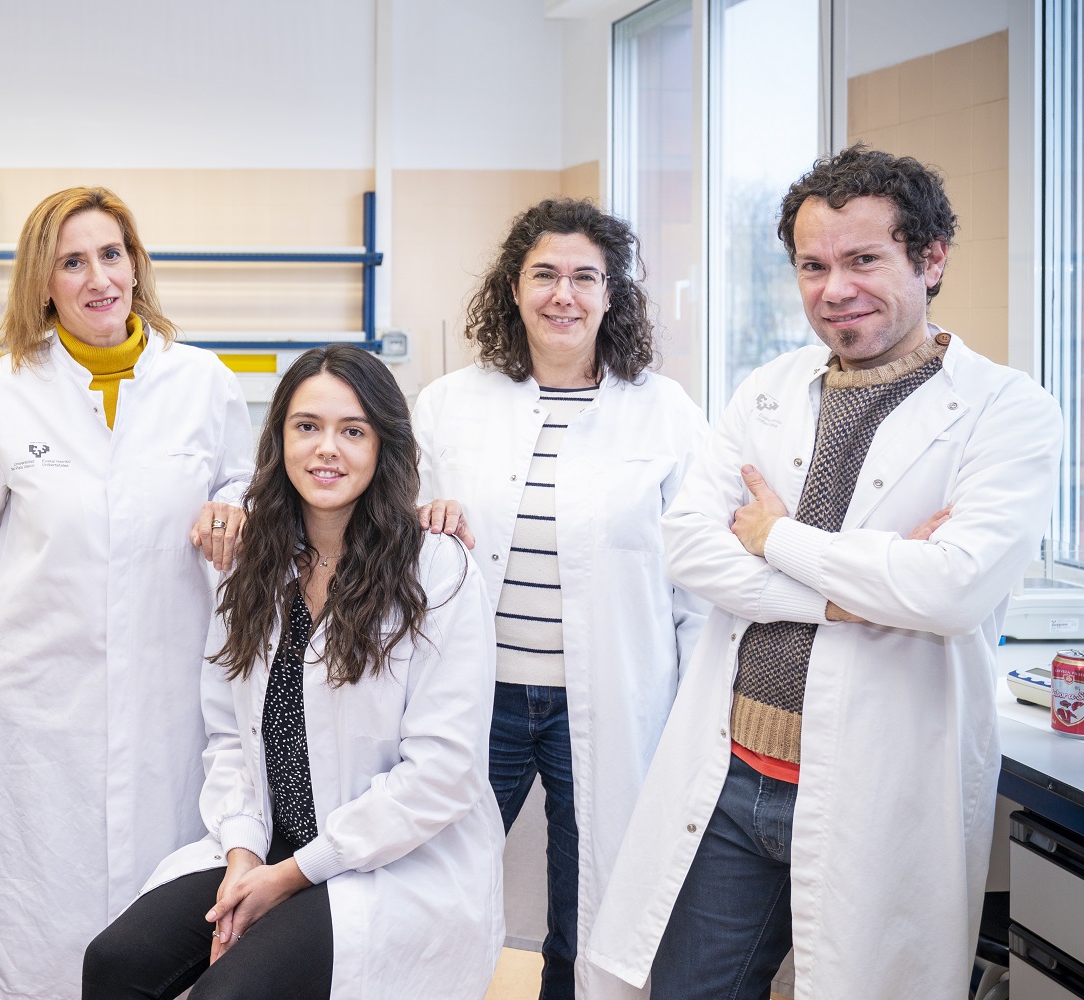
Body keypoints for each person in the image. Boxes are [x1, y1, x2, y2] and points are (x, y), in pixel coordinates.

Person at [584, 146, 1063, 999]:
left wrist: (774, 537)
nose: (834, 288)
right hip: (732, 775)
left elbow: (951, 588)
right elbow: (688, 544)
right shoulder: (769, 389)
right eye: (813, 265)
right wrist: (852, 597)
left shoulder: (1006, 409)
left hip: (877, 787)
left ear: (931, 259)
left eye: (863, 259)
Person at [0, 186, 254, 1000]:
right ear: (42, 283)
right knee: (39, 913)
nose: (98, 278)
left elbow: (240, 481)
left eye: (111, 255)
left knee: (164, 906)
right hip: (44, 704)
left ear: (135, 265)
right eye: (72, 262)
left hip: (169, 697)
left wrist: (236, 507)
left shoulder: (202, 382)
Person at [82, 344, 505, 1000]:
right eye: (307, 426)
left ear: (384, 446)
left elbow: (442, 773)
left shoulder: (436, 569)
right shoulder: (256, 565)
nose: (326, 449)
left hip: (385, 863)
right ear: (280, 439)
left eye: (353, 431)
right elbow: (229, 736)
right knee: (114, 962)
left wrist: (290, 875)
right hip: (268, 842)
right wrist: (243, 853)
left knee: (229, 995)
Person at [412, 198, 707, 999]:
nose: (563, 295)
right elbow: (398, 539)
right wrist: (420, 520)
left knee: (592, 908)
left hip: (609, 700)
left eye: (585, 277)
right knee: (438, 883)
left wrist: (691, 708)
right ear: (514, 287)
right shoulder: (450, 403)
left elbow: (697, 582)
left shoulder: (665, 413)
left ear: (612, 294)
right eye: (544, 274)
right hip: (480, 699)